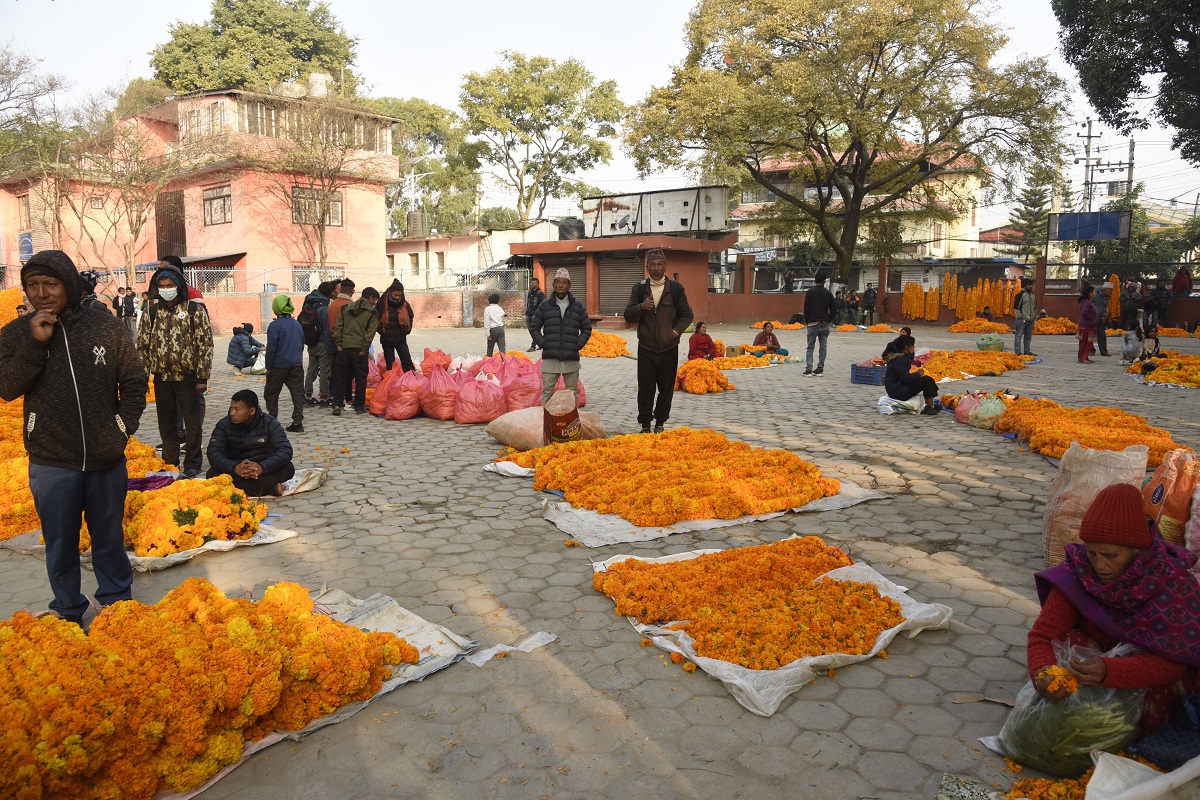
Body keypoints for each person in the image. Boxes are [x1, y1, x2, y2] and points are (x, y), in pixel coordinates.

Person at [0, 250, 146, 626]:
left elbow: (133, 381)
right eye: (32, 285)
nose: (41, 293)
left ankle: (117, 605)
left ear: (68, 284)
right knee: (60, 543)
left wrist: (120, 429)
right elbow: (6, 388)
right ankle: (68, 608)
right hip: (51, 459)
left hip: (105, 457)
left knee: (109, 537)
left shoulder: (106, 327)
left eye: (50, 283)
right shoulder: (15, 334)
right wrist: (35, 343)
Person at [1028, 483, 1200, 732]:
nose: (1099, 565)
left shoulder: (1171, 582)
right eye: (1093, 553)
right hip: (1097, 660)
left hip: (1147, 669)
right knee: (1067, 644)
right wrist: (1043, 673)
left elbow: (1175, 662)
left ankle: (1139, 740)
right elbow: (1042, 635)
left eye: (1111, 556)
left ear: (1137, 551)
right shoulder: (1079, 571)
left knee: (1167, 691)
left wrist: (1111, 671)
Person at [137, 260, 213, 478]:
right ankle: (170, 464)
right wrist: (143, 377)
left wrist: (202, 377)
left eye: (170, 285)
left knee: (192, 424)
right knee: (167, 425)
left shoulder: (193, 310)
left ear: (178, 286)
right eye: (162, 286)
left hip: (188, 379)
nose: (166, 289)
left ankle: (192, 463)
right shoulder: (151, 312)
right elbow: (142, 346)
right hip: (162, 379)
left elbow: (205, 344)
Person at [623, 248, 693, 433]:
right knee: (645, 388)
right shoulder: (639, 288)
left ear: (665, 266)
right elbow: (628, 315)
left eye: (659, 264)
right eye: (652, 265)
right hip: (646, 347)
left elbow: (687, 315)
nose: (656, 268)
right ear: (647, 267)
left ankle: (660, 423)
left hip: (669, 347)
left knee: (666, 389)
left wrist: (676, 332)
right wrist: (640, 307)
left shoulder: (676, 289)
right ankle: (645, 425)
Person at [206, 389, 295, 497]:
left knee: (288, 468)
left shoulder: (270, 423)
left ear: (251, 411)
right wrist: (234, 467)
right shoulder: (223, 425)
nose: (232, 413)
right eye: (231, 408)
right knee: (212, 474)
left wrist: (262, 467)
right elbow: (214, 453)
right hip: (236, 470)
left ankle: (238, 491)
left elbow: (285, 450)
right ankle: (266, 489)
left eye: (237, 409)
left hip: (262, 471)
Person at [531, 268, 591, 404]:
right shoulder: (545, 305)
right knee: (547, 391)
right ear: (553, 284)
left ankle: (570, 423)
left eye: (564, 282)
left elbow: (586, 328)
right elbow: (534, 327)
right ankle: (547, 423)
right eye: (558, 282)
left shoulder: (578, 306)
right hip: (550, 357)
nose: (560, 285)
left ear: (569, 286)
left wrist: (577, 345)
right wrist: (543, 343)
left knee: (572, 392)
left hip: (571, 357)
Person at [331, 286, 379, 415]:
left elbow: (338, 328)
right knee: (360, 379)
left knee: (341, 377)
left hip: (344, 349)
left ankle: (337, 405)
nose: (375, 303)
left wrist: (339, 345)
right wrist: (364, 350)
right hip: (359, 350)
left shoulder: (345, 309)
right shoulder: (372, 313)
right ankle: (359, 407)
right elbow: (370, 334)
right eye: (375, 300)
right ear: (370, 298)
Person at [265, 295, 305, 434]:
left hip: (279, 365)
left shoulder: (275, 325)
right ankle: (297, 422)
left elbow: (271, 349)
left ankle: (272, 421)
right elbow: (301, 345)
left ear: (275, 308)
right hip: (296, 364)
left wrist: (269, 367)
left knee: (271, 393)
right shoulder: (296, 324)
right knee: (298, 393)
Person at [883, 335, 940, 415]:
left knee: (926, 380)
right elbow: (905, 378)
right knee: (927, 380)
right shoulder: (900, 360)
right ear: (906, 347)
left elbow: (910, 358)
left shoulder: (901, 356)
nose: (914, 347)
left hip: (898, 387)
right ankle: (930, 407)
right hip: (897, 391)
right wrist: (918, 374)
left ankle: (930, 404)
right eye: (913, 346)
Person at [300, 280, 336, 405]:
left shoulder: (309, 302)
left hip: (311, 342)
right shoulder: (324, 308)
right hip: (322, 343)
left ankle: (308, 395)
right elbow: (327, 330)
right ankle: (325, 396)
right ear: (330, 293)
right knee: (325, 371)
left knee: (311, 369)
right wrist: (330, 347)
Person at [375, 279, 415, 372]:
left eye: (399, 296)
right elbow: (374, 318)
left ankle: (411, 382)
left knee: (407, 362)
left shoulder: (404, 303)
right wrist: (381, 331)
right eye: (395, 295)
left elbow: (410, 316)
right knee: (390, 365)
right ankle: (392, 383)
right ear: (390, 292)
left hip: (401, 339)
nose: (397, 298)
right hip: (387, 340)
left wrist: (407, 329)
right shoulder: (382, 303)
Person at [803, 272, 835, 376]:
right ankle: (820, 369)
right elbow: (834, 310)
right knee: (823, 347)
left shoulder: (810, 292)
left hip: (813, 323)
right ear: (824, 281)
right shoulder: (828, 293)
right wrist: (827, 319)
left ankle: (808, 369)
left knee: (810, 347)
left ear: (815, 280)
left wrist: (807, 320)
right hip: (824, 324)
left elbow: (806, 308)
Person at [1012, 278, 1037, 357]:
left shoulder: (1033, 295)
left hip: (1031, 320)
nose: (1031, 286)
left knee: (1028, 336)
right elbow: (1016, 307)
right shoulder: (1020, 295)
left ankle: (1027, 351)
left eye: (1031, 285)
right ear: (1025, 286)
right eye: (1029, 285)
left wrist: (1034, 317)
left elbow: (1035, 307)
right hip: (1022, 320)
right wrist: (1020, 317)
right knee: (1018, 336)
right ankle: (1018, 352)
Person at [1076, 284, 1098, 365]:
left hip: (1088, 326)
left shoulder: (1086, 302)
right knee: (1085, 343)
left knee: (1088, 343)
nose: (1094, 293)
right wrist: (1092, 319)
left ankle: (1085, 357)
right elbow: (1084, 312)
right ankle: (1082, 358)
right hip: (1086, 326)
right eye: (1093, 292)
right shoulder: (1086, 302)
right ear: (1089, 293)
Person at [525, 277, 546, 351]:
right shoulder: (530, 292)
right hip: (528, 314)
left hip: (535, 315)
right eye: (530, 283)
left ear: (537, 284)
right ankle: (541, 342)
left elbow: (542, 305)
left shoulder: (540, 293)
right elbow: (528, 303)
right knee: (531, 330)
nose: (531, 284)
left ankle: (533, 346)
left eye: (532, 283)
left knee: (535, 330)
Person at [484, 292, 507, 357]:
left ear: (489, 300)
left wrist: (487, 333)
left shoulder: (487, 309)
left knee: (490, 348)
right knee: (502, 348)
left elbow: (487, 322)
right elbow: (503, 317)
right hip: (501, 329)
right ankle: (504, 363)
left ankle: (489, 362)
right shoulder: (500, 308)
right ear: (498, 301)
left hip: (493, 330)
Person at [1095, 283, 1113, 357]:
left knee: (1102, 335)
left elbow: (1105, 307)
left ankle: (1104, 351)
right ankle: (1091, 350)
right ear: (1105, 289)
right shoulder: (1095, 295)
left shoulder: (1107, 297)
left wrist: (1105, 314)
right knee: (1091, 335)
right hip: (1093, 318)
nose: (1111, 292)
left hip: (1101, 318)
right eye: (1110, 290)